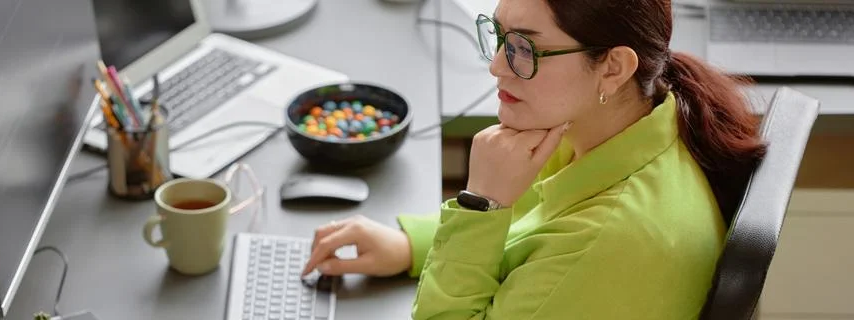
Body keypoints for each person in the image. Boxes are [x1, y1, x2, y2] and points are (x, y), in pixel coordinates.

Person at [301, 0, 766, 318]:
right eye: (499, 36)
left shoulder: (606, 243)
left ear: (613, 67)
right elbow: (532, 220)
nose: (497, 65)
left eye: (524, 48)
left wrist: (480, 204)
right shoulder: (617, 124)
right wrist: (411, 247)